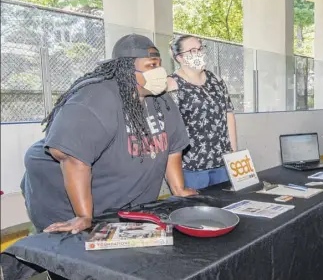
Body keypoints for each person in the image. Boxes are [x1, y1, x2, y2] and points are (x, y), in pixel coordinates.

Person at [21, 34, 197, 234]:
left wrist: (179, 190)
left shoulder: (161, 100)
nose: (158, 72)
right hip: (59, 197)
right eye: (150, 65)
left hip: (117, 202)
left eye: (159, 65)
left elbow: (172, 147)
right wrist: (83, 215)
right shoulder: (94, 99)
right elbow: (72, 158)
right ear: (127, 69)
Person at [167, 35, 237, 190]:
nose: (198, 53)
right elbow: (170, 130)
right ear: (180, 57)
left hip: (221, 162)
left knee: (225, 208)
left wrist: (233, 153)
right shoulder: (172, 84)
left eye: (200, 48)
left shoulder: (216, 80)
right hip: (191, 166)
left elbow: (228, 114)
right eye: (192, 50)